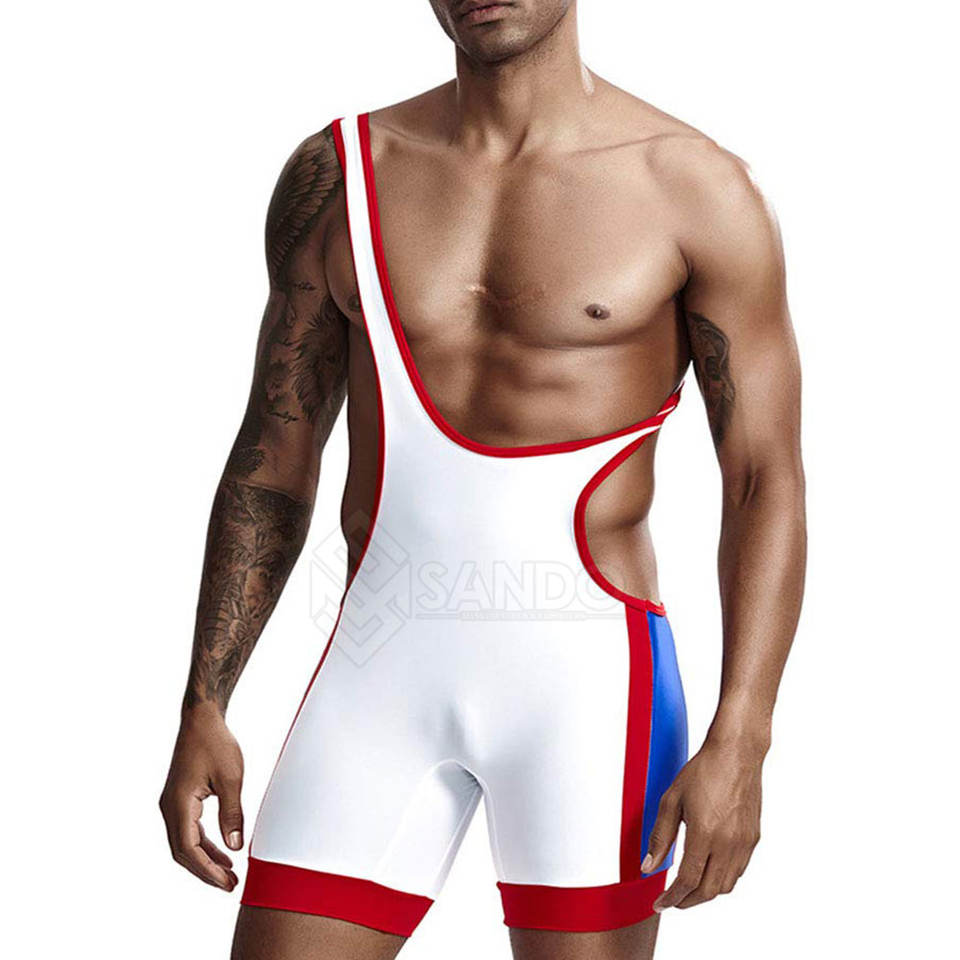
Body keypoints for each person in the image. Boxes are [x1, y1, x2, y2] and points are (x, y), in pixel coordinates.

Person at [160, 2, 806, 958]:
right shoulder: (343, 172)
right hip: (376, 678)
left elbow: (761, 478)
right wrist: (205, 704)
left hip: (587, 692)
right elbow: (276, 453)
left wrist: (743, 733)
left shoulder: (693, 189)